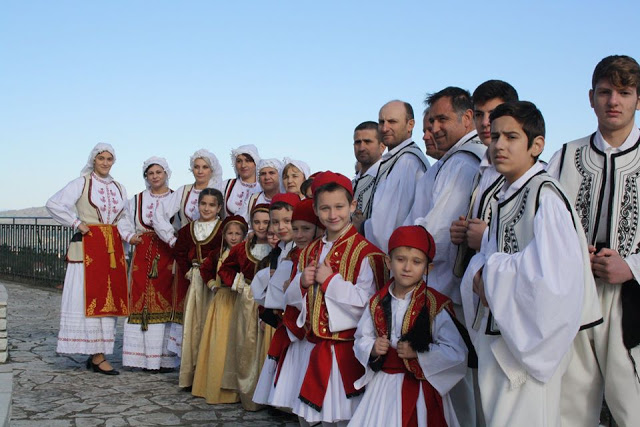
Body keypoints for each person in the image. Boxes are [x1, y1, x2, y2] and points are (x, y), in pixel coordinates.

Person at [460, 101, 600, 425]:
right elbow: (492, 257)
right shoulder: (508, 194)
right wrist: (480, 273)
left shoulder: (545, 196)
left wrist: (488, 275)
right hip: (502, 340)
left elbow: (554, 282)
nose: (499, 145)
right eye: (495, 137)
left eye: (511, 137)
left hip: (527, 348)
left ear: (536, 145)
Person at [546, 55, 640, 426]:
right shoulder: (566, 156)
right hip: (575, 297)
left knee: (633, 405)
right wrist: (568, 254)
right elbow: (541, 223)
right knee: (569, 406)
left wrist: (630, 266)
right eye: (605, 92)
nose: (613, 101)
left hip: (630, 300)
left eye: (624, 92)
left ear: (638, 99)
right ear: (590, 97)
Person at [403, 87, 485, 425]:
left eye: (441, 119)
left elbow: (435, 230)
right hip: (438, 285)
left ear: (468, 119)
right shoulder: (450, 161)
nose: (433, 129)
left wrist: (403, 245)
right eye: (430, 121)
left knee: (461, 385)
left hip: (447, 288)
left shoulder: (463, 163)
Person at [285, 171, 387, 426]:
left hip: (347, 352)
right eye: (325, 208)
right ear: (317, 211)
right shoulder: (309, 250)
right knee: (310, 417)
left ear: (352, 206)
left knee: (345, 416)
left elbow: (368, 306)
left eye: (340, 207)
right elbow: (294, 303)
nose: (333, 215)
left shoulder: (368, 253)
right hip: (312, 348)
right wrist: (301, 283)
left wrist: (331, 282)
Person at [350, 225, 468, 427]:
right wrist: (372, 348)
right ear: (389, 262)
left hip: (421, 388)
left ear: (428, 268)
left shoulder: (435, 305)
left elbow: (456, 352)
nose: (407, 267)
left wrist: (420, 352)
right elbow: (361, 337)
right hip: (383, 387)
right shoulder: (377, 302)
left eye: (416, 262)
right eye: (400, 259)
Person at [46, 143, 129, 375]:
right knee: (86, 297)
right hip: (88, 247)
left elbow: (123, 218)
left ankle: (98, 352)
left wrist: (129, 236)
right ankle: (96, 355)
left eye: (109, 159)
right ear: (94, 160)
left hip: (111, 248)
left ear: (114, 161)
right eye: (101, 158)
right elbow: (54, 203)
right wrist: (76, 223)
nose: (105, 162)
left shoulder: (119, 187)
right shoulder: (82, 182)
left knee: (108, 297)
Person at [450, 80, 519, 279]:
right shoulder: (483, 170)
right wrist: (463, 233)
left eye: (494, 113)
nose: (485, 122)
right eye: (479, 115)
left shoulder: (533, 173)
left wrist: (487, 237)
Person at [119, 156, 178, 371]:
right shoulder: (136, 200)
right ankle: (143, 357)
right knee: (141, 299)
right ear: (146, 177)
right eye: (150, 173)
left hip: (168, 251)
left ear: (166, 174)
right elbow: (123, 220)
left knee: (167, 299)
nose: (155, 176)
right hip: (144, 253)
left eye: (158, 172)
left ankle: (164, 358)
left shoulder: (176, 198)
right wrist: (129, 236)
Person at [267, 198, 324, 411]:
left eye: (305, 228)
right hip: (294, 319)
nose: (298, 234)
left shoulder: (311, 253)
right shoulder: (293, 252)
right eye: (295, 228)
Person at [217, 203, 273, 411]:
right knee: (246, 345)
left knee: (268, 346)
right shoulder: (243, 248)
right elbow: (225, 268)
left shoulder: (278, 247)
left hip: (271, 301)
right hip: (248, 301)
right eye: (257, 222)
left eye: (266, 222)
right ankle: (249, 393)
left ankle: (271, 395)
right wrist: (236, 282)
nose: (261, 227)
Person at [192, 215, 248, 404]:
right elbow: (205, 269)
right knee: (218, 341)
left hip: (238, 301)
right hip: (222, 300)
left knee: (234, 342)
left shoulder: (245, 253)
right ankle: (212, 386)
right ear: (223, 235)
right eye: (230, 233)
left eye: (237, 233)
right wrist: (212, 285)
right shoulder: (217, 253)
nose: (233, 237)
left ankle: (234, 389)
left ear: (244, 235)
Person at [172, 188, 225, 389]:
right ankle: (191, 373)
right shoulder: (187, 230)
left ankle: (211, 373)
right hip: (195, 281)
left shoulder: (222, 229)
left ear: (219, 207)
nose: (207, 208)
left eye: (212, 205)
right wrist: (187, 270)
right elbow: (180, 252)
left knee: (213, 323)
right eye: (203, 204)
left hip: (214, 282)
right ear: (197, 204)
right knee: (193, 323)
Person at [252, 192, 300, 405]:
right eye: (275, 222)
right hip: (282, 315)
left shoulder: (299, 249)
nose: (281, 227)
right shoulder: (280, 249)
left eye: (287, 221)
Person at [363, 100, 429, 252]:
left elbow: (390, 223)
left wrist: (362, 225)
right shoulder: (397, 158)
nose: (385, 128)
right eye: (381, 122)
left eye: (392, 122)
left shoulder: (407, 161)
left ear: (410, 124)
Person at [153, 149, 223, 247]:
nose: (200, 171)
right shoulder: (184, 191)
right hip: (187, 248)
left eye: (205, 167)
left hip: (213, 247)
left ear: (212, 170)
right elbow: (159, 214)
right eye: (196, 167)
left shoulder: (219, 190)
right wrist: (172, 240)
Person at [351, 121, 385, 232]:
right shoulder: (351, 184)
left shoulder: (388, 178)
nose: (361, 148)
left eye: (367, 142)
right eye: (357, 142)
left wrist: (364, 226)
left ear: (382, 146)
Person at [222, 144, 262, 217]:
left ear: (255, 163)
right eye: (239, 161)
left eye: (247, 161)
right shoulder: (225, 186)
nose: (243, 165)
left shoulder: (263, 188)